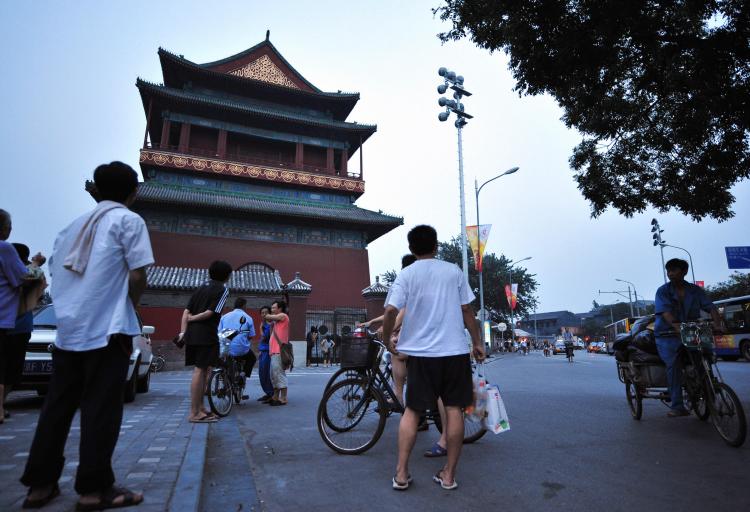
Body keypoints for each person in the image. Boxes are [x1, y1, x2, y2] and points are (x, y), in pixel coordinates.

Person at [20, 162, 152, 510]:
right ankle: (94, 489)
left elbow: (56, 276)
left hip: (68, 332)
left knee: (56, 409)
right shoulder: (128, 221)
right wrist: (128, 306)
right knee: (100, 410)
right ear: (134, 191)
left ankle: (40, 484)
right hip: (108, 331)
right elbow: (138, 276)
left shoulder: (70, 227)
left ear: (96, 188)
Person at [382, 225, 484, 492]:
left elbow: (391, 309)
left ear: (411, 248)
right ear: (436, 246)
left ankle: (402, 474)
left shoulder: (407, 274)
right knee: (453, 410)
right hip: (454, 352)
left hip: (422, 355)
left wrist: (386, 338)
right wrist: (477, 343)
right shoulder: (453, 271)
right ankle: (449, 475)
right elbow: (467, 311)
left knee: (413, 411)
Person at [654, 258, 724, 417]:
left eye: (674, 270)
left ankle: (709, 392)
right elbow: (665, 313)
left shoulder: (695, 290)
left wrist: (718, 324)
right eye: (669, 271)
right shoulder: (663, 291)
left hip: (691, 331)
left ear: (684, 272)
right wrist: (677, 327)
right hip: (667, 334)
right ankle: (677, 405)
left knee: (704, 359)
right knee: (674, 364)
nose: (670, 274)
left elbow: (711, 307)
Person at [178, 260, 231, 423]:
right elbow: (210, 313)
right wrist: (194, 319)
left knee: (205, 370)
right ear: (227, 275)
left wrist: (183, 332)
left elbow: (186, 311)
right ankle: (194, 413)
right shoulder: (223, 290)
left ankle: (201, 408)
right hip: (206, 334)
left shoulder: (200, 288)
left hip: (192, 334)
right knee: (200, 370)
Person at [3, 244, 47, 414]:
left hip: (16, 327)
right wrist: (35, 263)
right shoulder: (25, 272)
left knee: (10, 368)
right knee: (11, 368)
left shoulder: (21, 272)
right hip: (18, 327)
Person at [0, 209, 33, 424]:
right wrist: (35, 266)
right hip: (3, 318)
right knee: (4, 368)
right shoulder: (5, 248)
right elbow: (23, 278)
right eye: (9, 225)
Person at [219, 297, 256, 393]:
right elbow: (251, 335)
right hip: (241, 349)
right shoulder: (248, 318)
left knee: (224, 363)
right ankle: (243, 374)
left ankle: (225, 381)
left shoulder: (224, 317)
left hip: (225, 349)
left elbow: (219, 333)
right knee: (252, 358)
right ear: (244, 306)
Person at [264, 300, 290, 406]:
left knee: (279, 374)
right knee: (274, 375)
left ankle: (283, 398)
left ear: (280, 309)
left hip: (279, 351)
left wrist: (266, 314)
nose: (272, 309)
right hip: (273, 351)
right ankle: (275, 396)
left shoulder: (283, 316)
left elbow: (268, 317)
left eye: (274, 307)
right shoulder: (276, 322)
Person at [256, 306, 274, 402]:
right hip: (263, 351)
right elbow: (261, 340)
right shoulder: (263, 324)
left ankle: (271, 393)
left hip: (268, 351)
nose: (264, 314)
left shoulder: (271, 324)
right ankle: (268, 393)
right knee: (262, 373)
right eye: (262, 313)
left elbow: (265, 337)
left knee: (267, 373)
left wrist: (260, 329)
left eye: (266, 312)